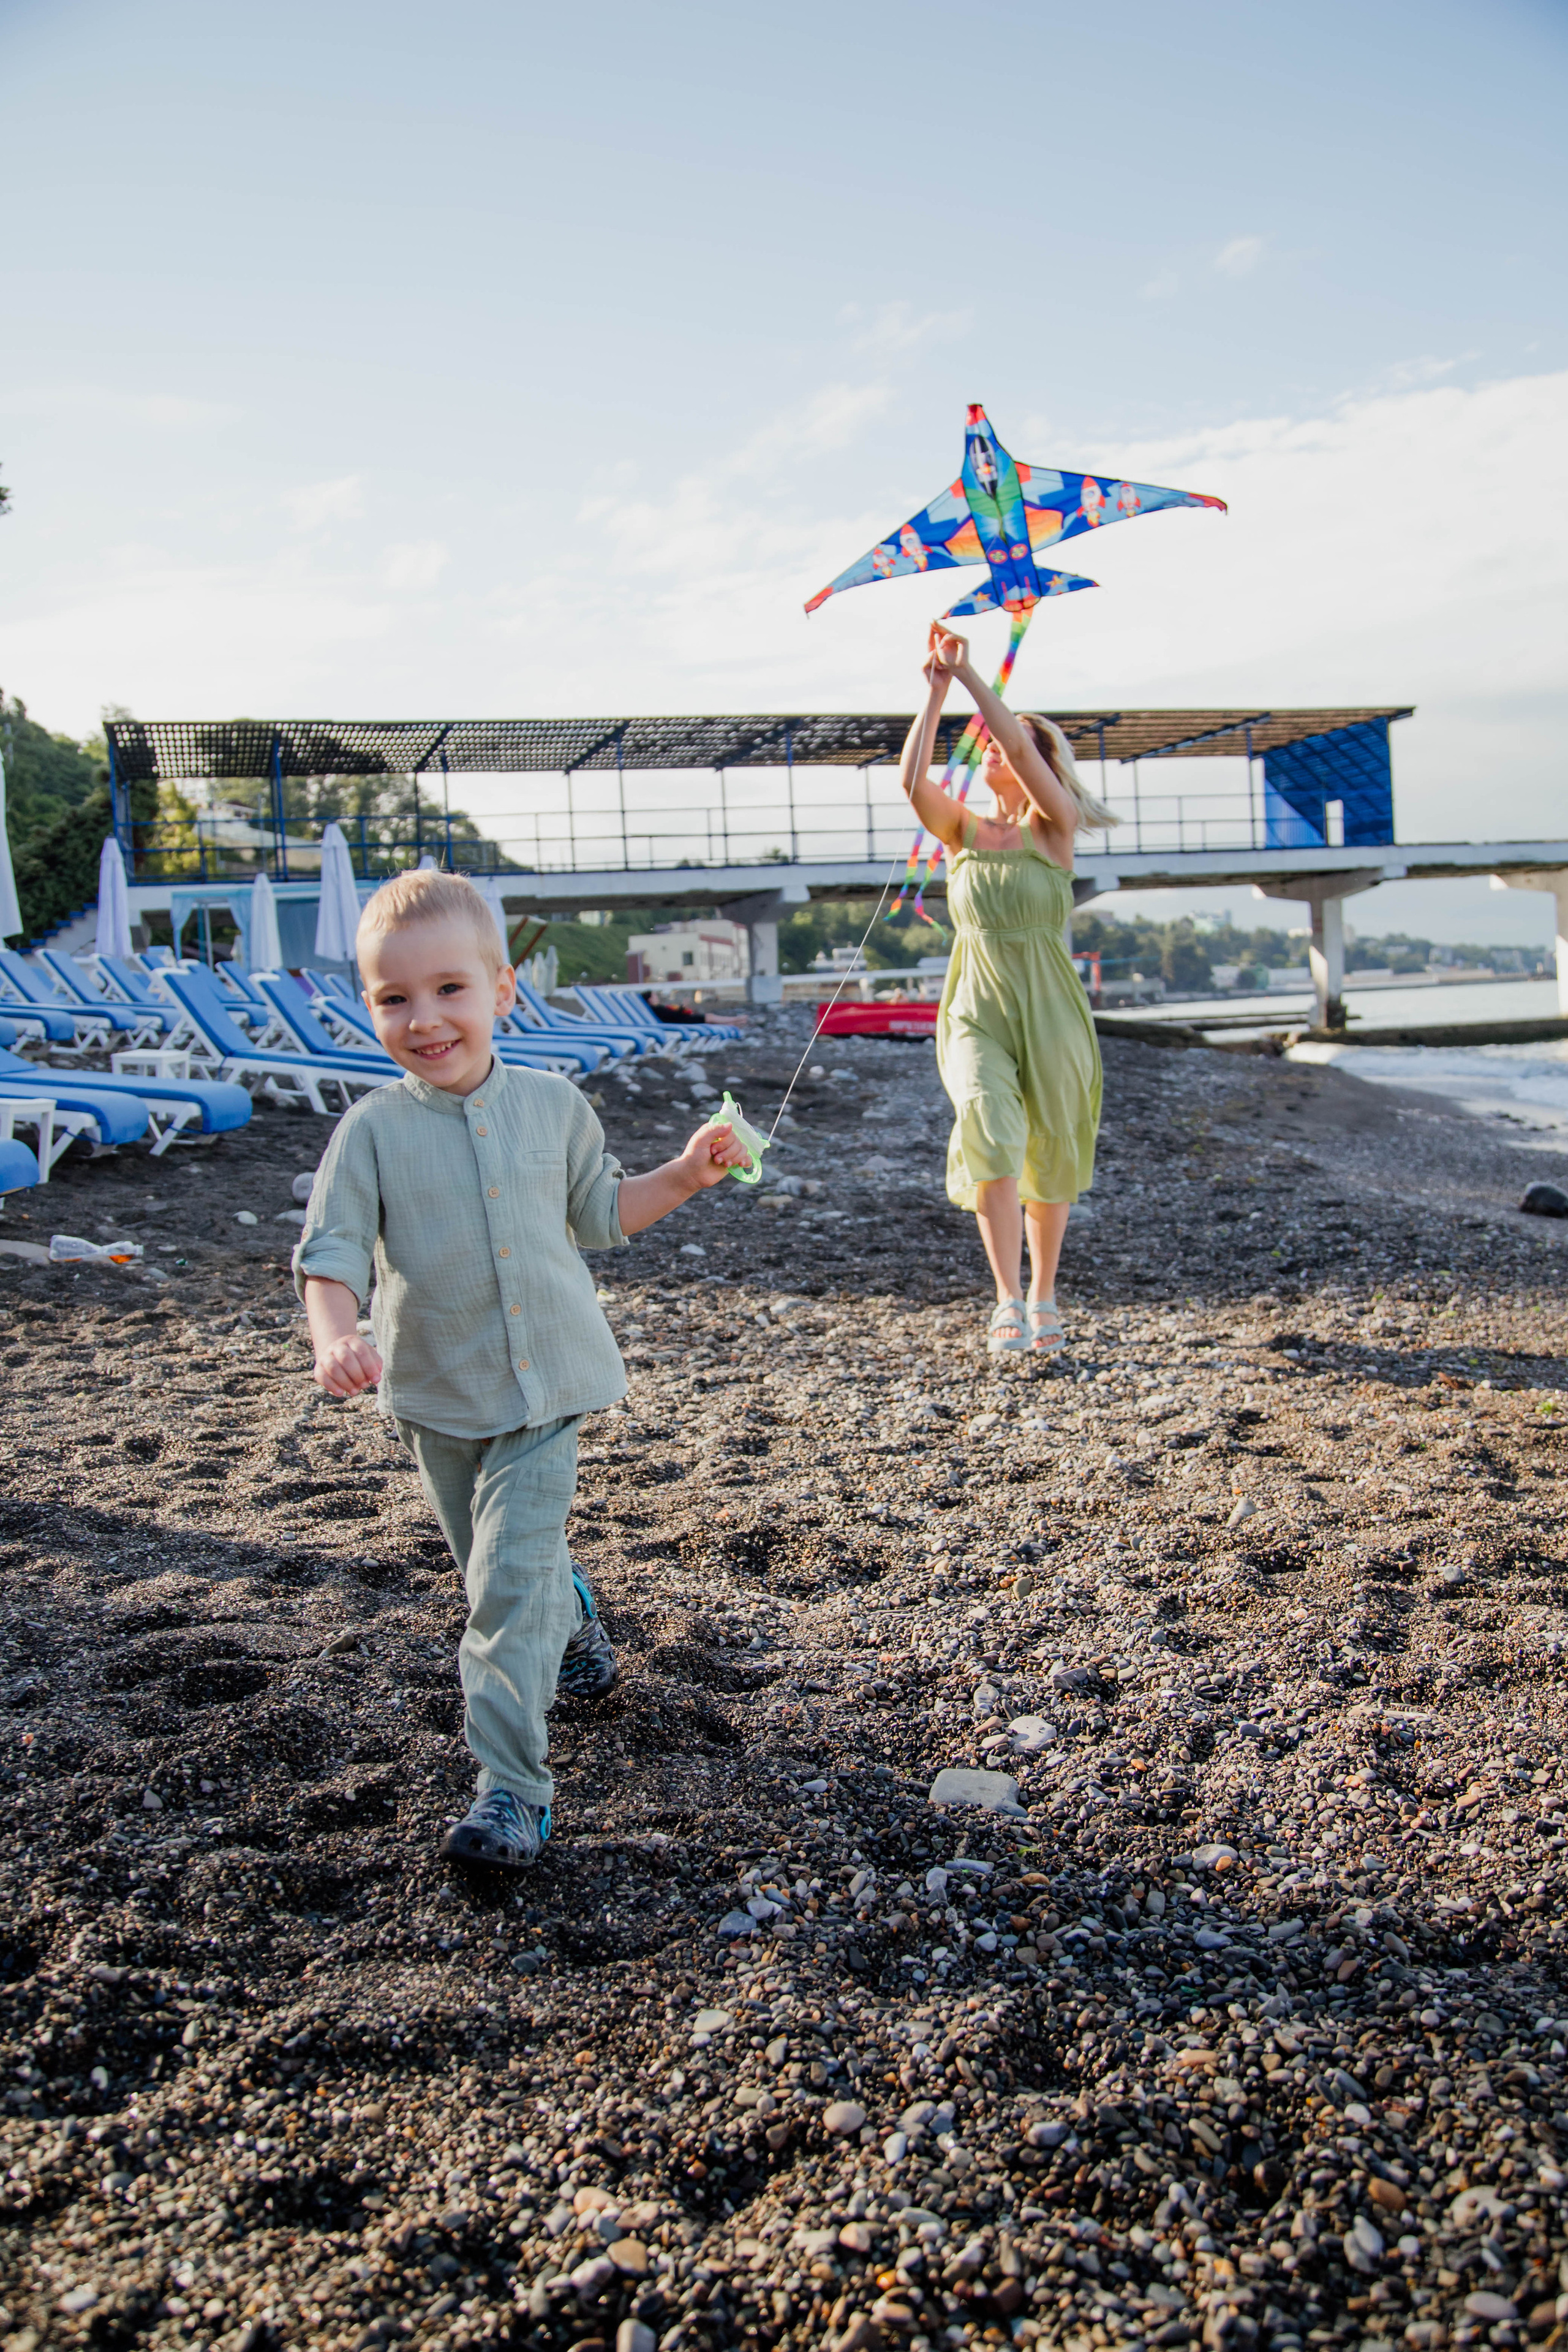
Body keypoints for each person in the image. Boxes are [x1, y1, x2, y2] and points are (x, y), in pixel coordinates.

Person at [293, 869, 747, 1869]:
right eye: (394, 998)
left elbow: (602, 1215)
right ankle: (575, 1616)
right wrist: (336, 1335)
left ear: (503, 989)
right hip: (438, 1399)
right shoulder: (369, 1132)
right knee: (499, 1575)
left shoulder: (556, 1106)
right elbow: (327, 1259)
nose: (425, 1018)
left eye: (450, 989)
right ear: (368, 1005)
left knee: (500, 1596)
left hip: (551, 1393)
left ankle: (513, 1792)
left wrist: (684, 1173)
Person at [897, 622, 1121, 1356]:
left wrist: (969, 678)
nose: (992, 745)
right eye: (987, 741)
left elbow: (1021, 748)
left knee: (1049, 1149)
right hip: (975, 1006)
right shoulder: (959, 830)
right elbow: (910, 783)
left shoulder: (1052, 831)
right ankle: (1003, 1299)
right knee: (990, 1127)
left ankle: (1044, 1295)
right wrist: (933, 695)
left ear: (1044, 767)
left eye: (1009, 743)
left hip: (1050, 1007)